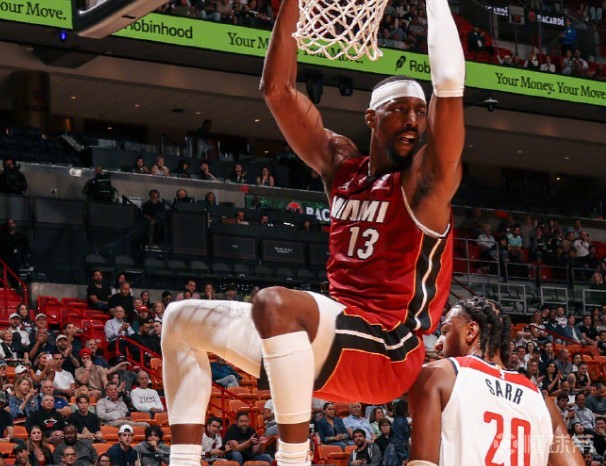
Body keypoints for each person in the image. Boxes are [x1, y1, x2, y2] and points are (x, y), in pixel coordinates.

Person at [163, 0, 465, 464]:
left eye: (420, 113)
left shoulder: (426, 183)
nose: (413, 121)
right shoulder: (341, 167)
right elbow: (276, 90)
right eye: (400, 110)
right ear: (372, 118)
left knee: (275, 305)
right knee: (179, 322)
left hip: (390, 350)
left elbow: (449, 86)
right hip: (332, 341)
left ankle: (294, 458)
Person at [407, 296, 584, 465]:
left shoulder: (438, 374)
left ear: (470, 331)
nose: (438, 343)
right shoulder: (544, 403)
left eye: (445, 331)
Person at [0, 218, 30, 287]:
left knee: (15, 282)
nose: (11, 225)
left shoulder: (21, 237)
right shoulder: (3, 238)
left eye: (12, 223)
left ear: (15, 224)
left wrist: (23, 261)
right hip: (6, 264)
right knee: (3, 281)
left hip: (17, 264)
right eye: (9, 223)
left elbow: (25, 249)